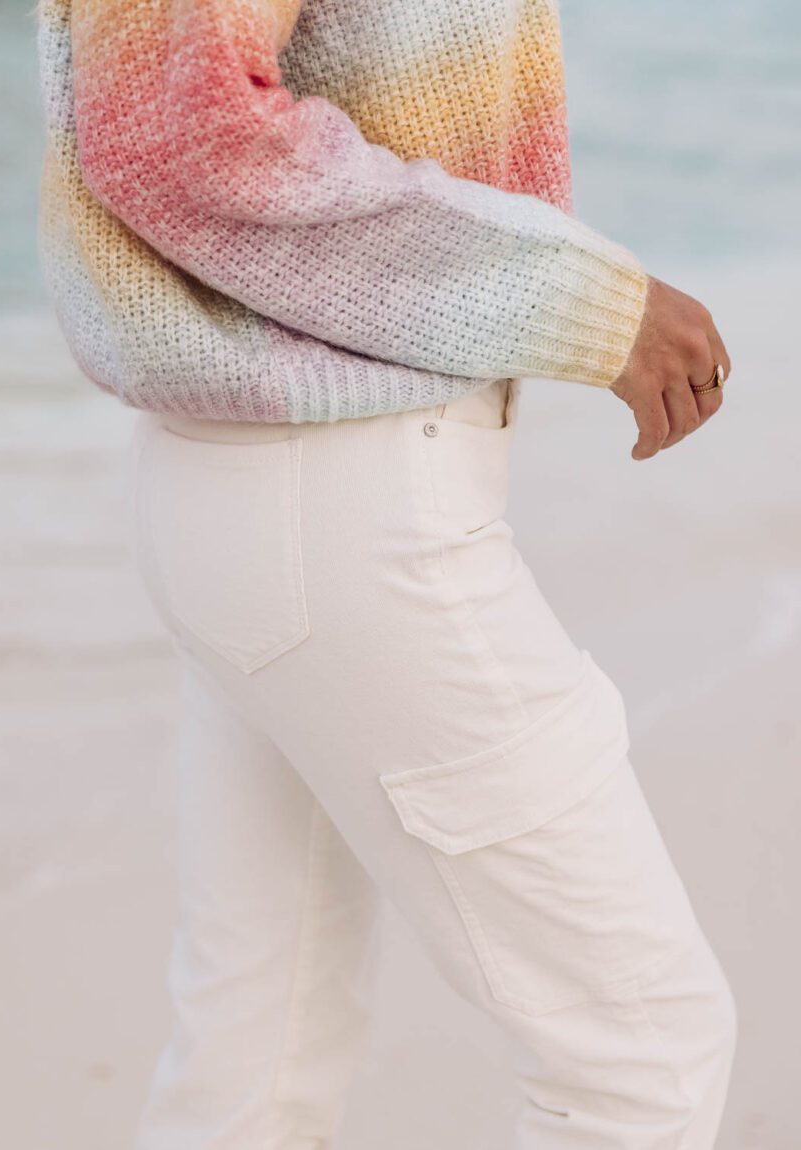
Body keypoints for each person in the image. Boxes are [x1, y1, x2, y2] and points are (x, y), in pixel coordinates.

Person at [36, 0, 737, 1145]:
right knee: (642, 1054)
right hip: (339, 506)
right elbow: (180, 136)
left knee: (255, 1071)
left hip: (272, 498)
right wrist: (582, 303)